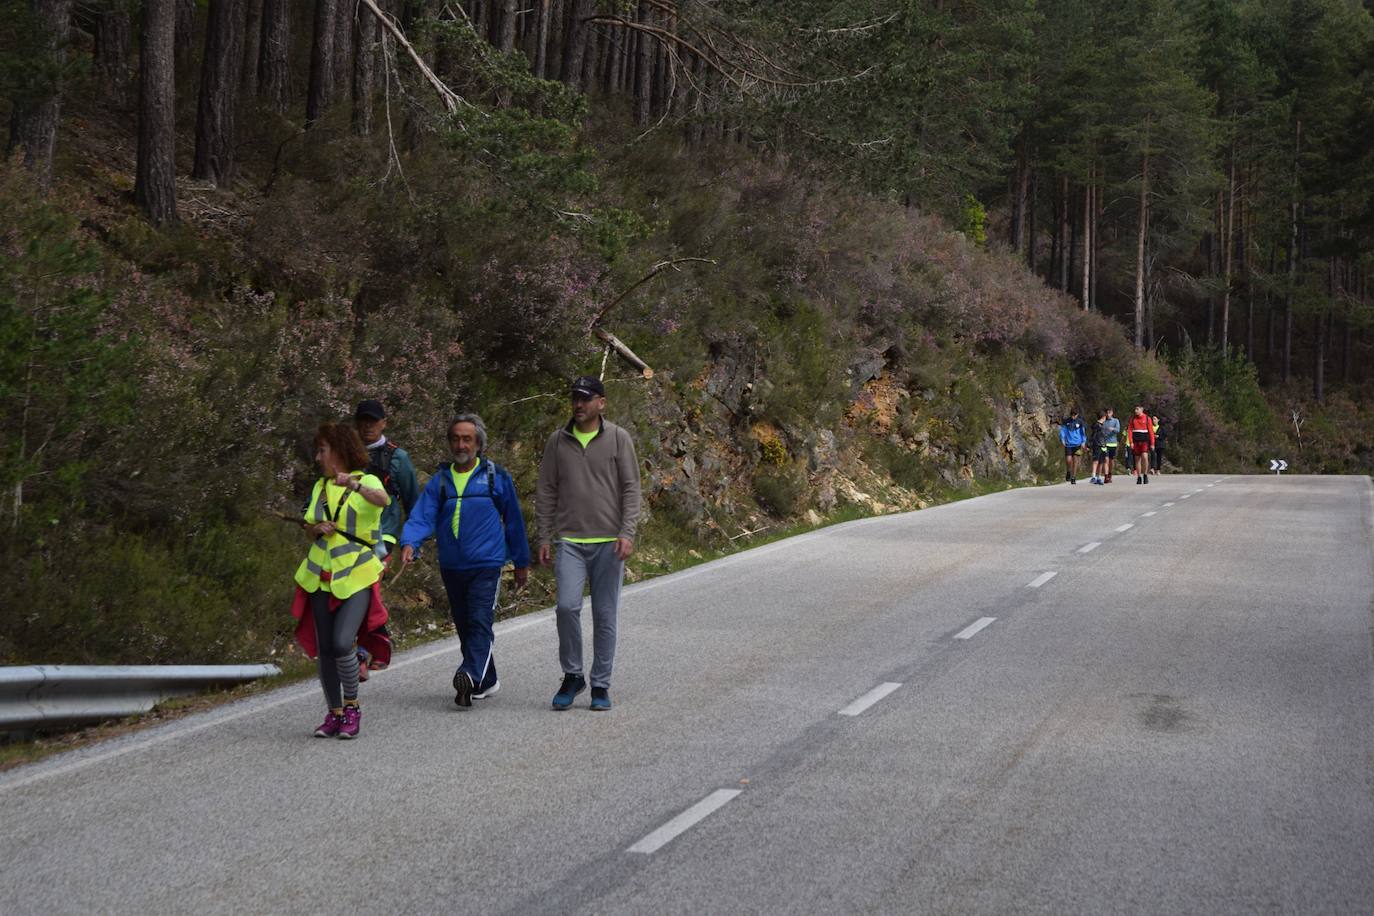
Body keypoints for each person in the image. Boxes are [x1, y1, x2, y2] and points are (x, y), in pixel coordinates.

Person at [399, 414, 530, 707]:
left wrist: (521, 561)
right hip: (452, 566)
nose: (461, 444)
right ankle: (487, 679)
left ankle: (469, 674)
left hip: (487, 564)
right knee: (465, 625)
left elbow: (513, 522)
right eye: (456, 438)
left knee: (480, 620)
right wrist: (409, 542)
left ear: (479, 443)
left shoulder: (496, 477)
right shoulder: (440, 481)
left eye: (467, 438)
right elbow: (422, 516)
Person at [537, 376, 642, 712]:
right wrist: (543, 535)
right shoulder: (558, 441)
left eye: (585, 399)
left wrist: (627, 532)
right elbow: (547, 490)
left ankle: (600, 684)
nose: (578, 405)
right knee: (567, 607)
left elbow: (631, 488)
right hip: (570, 540)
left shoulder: (618, 438)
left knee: (605, 614)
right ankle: (573, 675)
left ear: (601, 402)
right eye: (575, 399)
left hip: (609, 542)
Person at [290, 422, 392, 740]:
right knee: (325, 648)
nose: (318, 457)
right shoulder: (320, 488)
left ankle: (352, 708)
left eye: (323, 450)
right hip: (320, 573)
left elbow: (383, 501)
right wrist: (316, 529)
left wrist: (354, 485)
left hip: (357, 573)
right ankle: (333, 712)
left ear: (338, 450)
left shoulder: (368, 480)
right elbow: (308, 526)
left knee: (341, 641)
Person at [354, 399, 420, 561]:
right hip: (347, 532)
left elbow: (412, 500)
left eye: (373, 421)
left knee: (368, 581)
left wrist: (414, 541)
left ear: (383, 423)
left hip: (383, 534)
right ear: (356, 423)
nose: (368, 426)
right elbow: (327, 487)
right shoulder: (345, 454)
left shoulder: (398, 457)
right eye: (364, 421)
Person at [1127, 405, 1156, 484]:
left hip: (1144, 440)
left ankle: (1145, 474)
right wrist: (1131, 442)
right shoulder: (1133, 419)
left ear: (1142, 410)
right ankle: (1139, 476)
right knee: (1137, 459)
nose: (1136, 411)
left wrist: (1152, 443)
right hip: (1136, 441)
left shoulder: (1147, 419)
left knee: (1145, 456)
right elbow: (1129, 430)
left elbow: (1151, 432)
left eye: (1137, 409)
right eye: (1135, 409)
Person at [1059, 409, 1086, 484]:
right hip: (1068, 444)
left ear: (1077, 415)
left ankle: (1073, 477)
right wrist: (1062, 439)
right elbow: (1062, 431)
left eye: (1075, 415)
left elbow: (1083, 433)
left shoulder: (1080, 422)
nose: (1073, 416)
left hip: (1078, 444)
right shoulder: (1066, 421)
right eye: (1072, 414)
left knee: (1076, 460)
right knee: (1068, 460)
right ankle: (1068, 471)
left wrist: (1083, 442)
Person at [1088, 409, 1108, 485]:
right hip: (1097, 445)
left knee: (1101, 462)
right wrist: (1089, 444)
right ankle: (1093, 477)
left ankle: (1098, 477)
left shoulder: (1102, 426)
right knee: (1095, 461)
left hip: (1103, 445)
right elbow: (1093, 436)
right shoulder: (1097, 425)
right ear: (1103, 417)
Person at [1101, 407, 1121, 483]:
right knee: (1106, 460)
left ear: (1112, 413)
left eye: (1109, 412)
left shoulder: (1116, 421)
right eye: (1107, 413)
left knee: (1111, 460)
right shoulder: (1104, 421)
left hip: (1113, 443)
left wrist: (1113, 429)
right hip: (1105, 443)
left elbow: (1118, 430)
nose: (1108, 414)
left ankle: (1110, 473)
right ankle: (1106, 476)